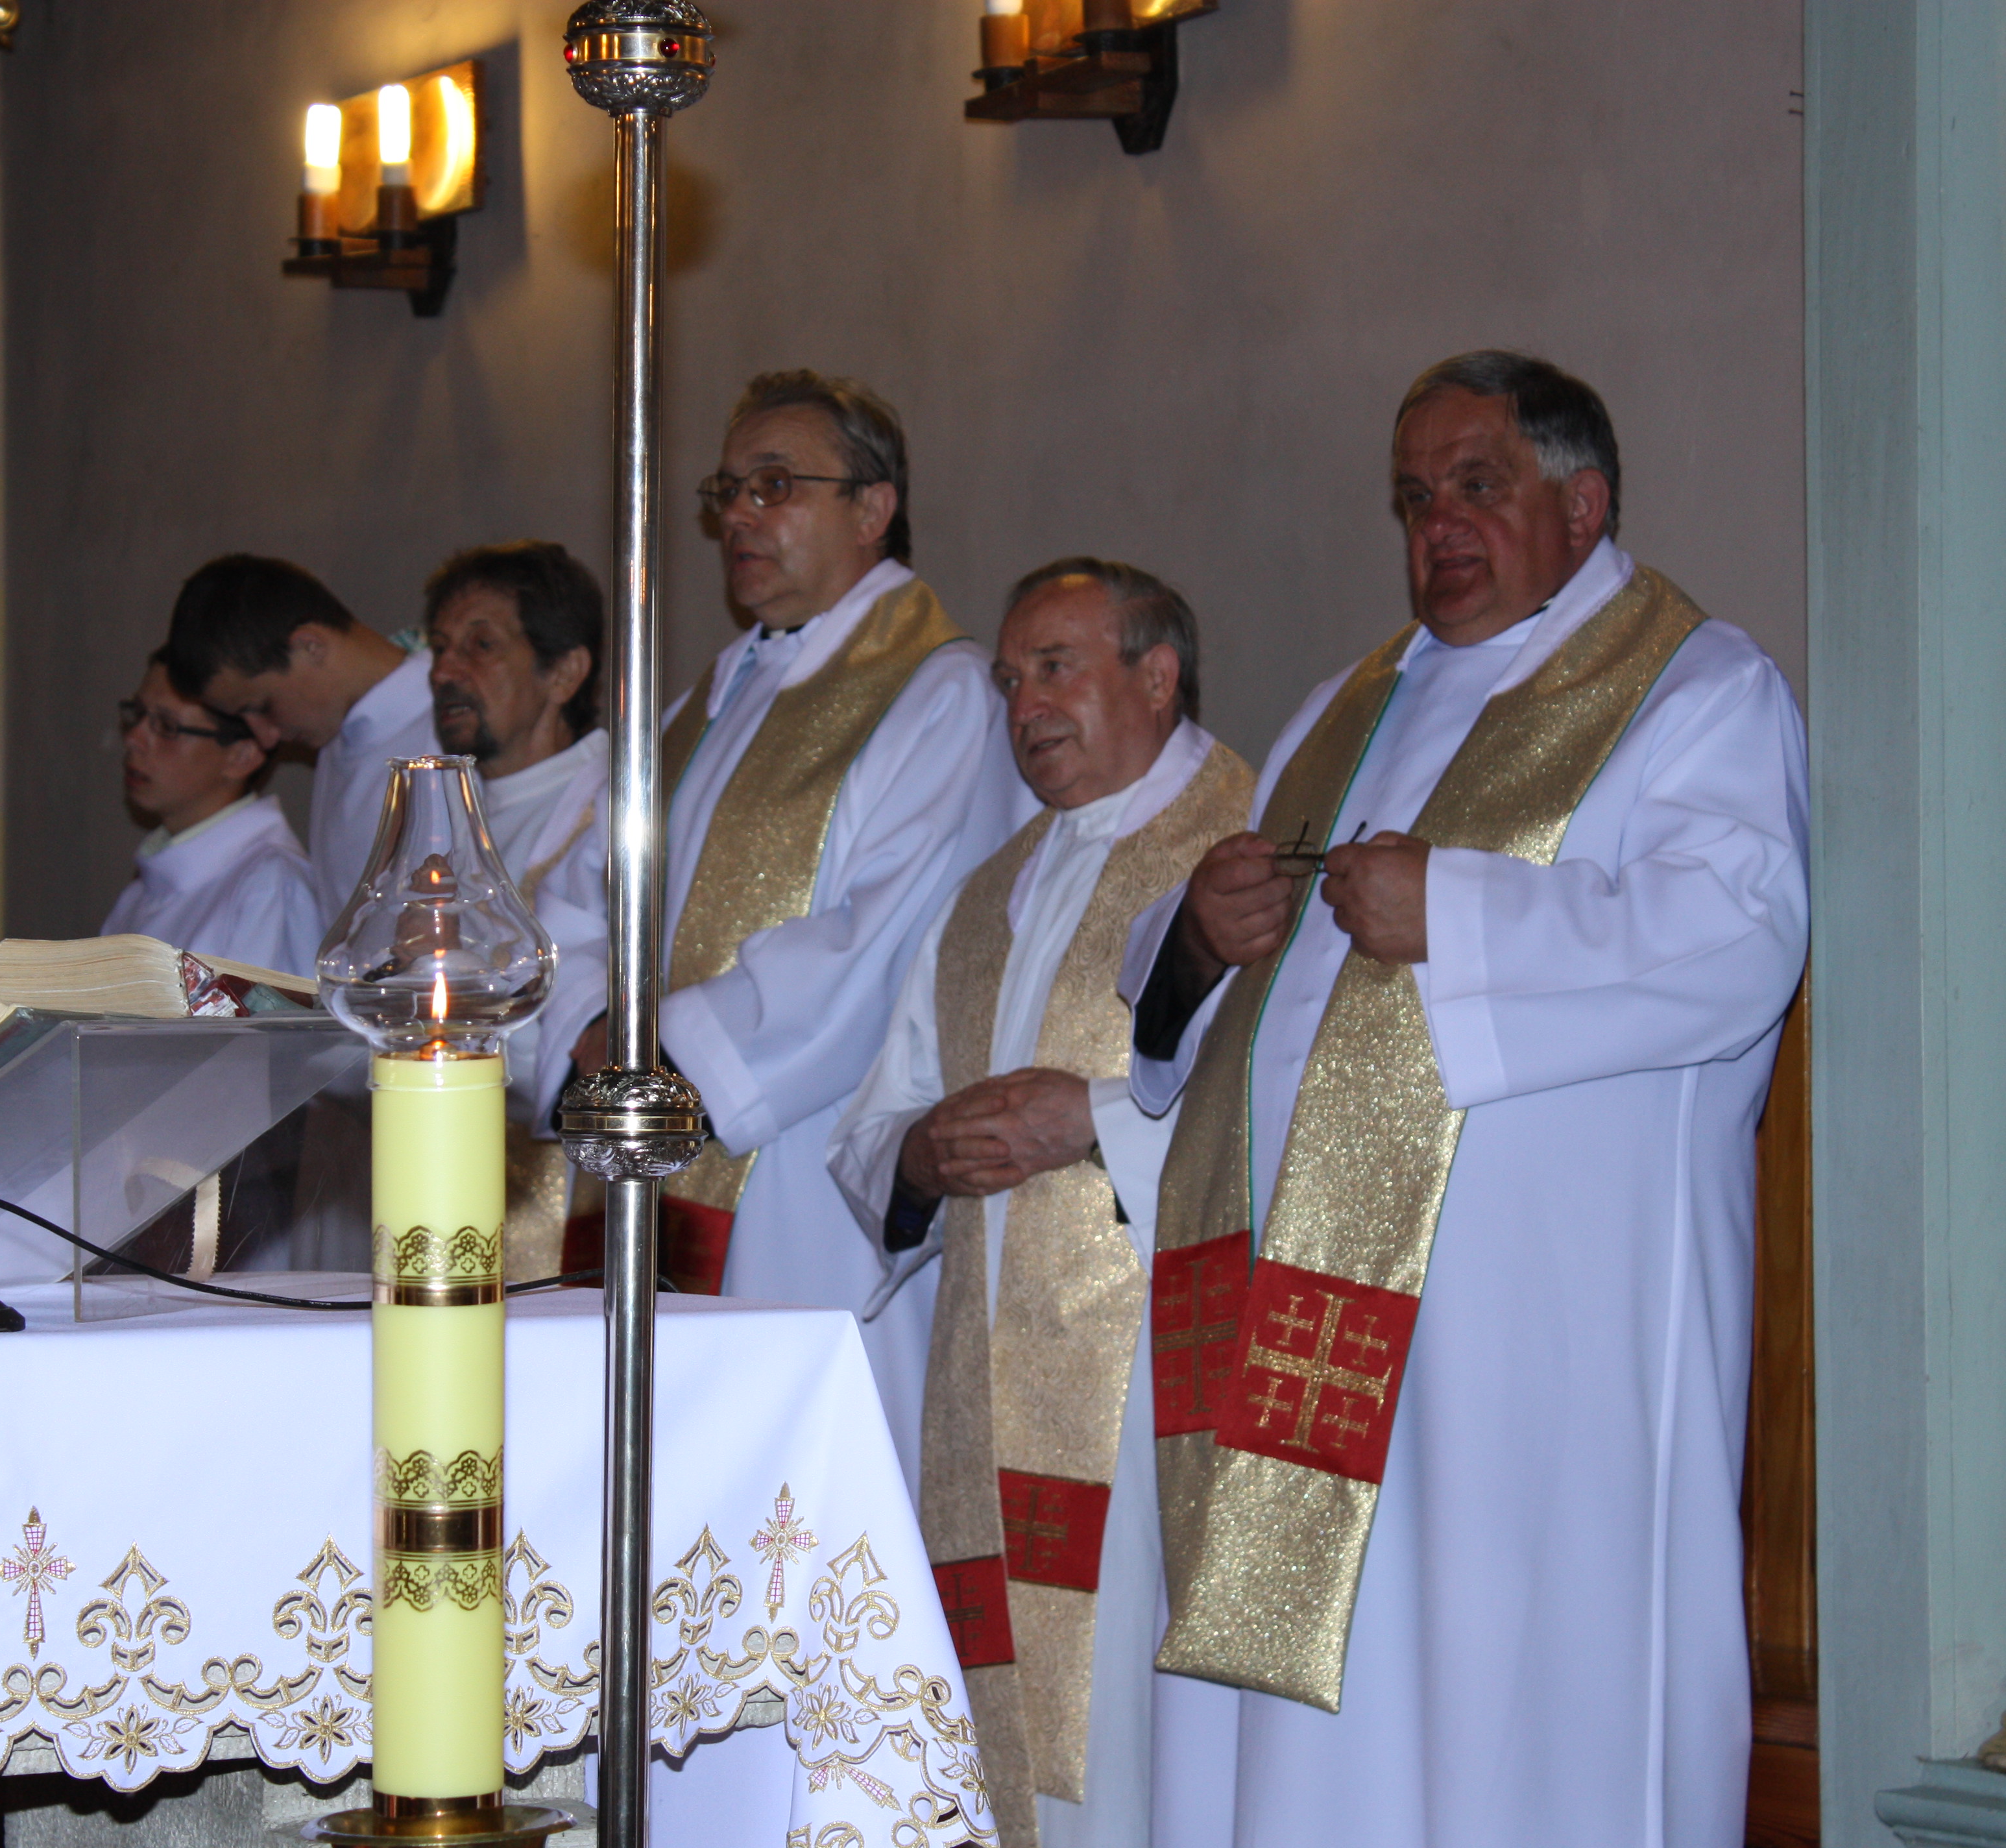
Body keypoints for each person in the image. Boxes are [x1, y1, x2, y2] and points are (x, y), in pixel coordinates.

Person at [1126, 351, 1807, 1847]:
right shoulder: (1347, 703)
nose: (1436, 522)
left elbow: (1738, 937)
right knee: (1316, 1740)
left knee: (1499, 1708)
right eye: (1413, 495)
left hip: (1530, 1348)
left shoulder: (1697, 687)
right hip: (1307, 1327)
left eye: (1476, 484)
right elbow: (1218, 1009)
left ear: (1584, 503)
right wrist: (1200, 937)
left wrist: (1458, 909)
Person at [530, 370, 1026, 1480]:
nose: (740, 518)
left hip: (805, 1170)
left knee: (790, 1499)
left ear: (873, 507)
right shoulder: (704, 701)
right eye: (727, 493)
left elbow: (888, 943)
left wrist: (656, 1052)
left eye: (775, 486)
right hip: (652, 1147)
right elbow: (577, 899)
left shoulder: (939, 692)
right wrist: (589, 1031)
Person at [828, 559, 1251, 1848]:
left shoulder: (1246, 850)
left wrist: (1098, 1121)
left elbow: (1290, 1100)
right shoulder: (989, 888)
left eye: (1056, 668)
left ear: (1157, 674)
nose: (1024, 706)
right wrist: (919, 1156)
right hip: (982, 1384)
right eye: (1012, 680)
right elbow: (875, 1120)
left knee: (1134, 1734)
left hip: (1157, 1388)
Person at [422, 540, 606, 1280]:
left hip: (560, 1208)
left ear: (564, 672)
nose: (445, 671)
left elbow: (594, 1029)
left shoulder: (610, 809)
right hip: (450, 1182)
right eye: (439, 647)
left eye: (481, 645)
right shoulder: (447, 811)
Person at [160, 553, 437, 921]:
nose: (266, 738)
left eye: (263, 706)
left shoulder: (449, 726)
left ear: (310, 645)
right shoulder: (336, 739)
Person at [99, 651, 321, 975]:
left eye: (166, 726)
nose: (134, 739)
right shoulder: (140, 892)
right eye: (138, 714)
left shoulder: (270, 886)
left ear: (243, 755)